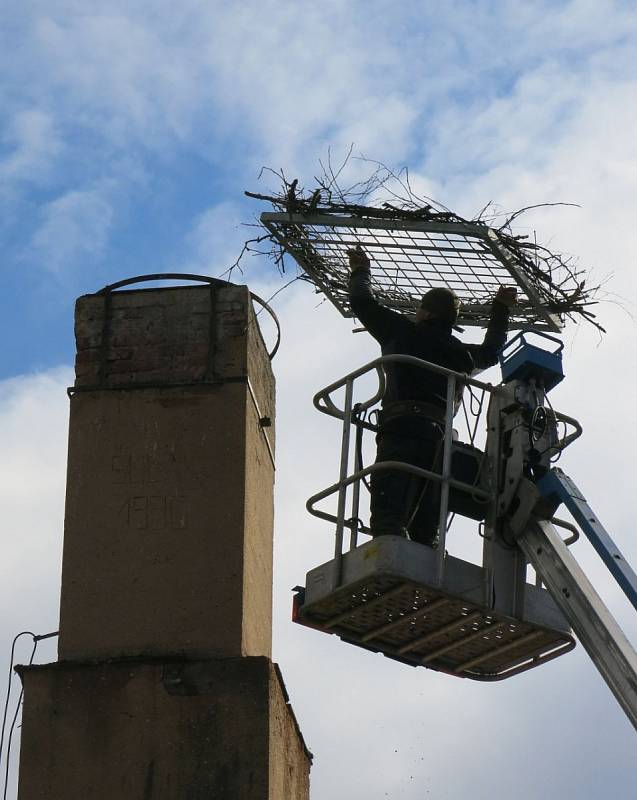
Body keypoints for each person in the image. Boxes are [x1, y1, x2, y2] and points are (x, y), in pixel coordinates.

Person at [347, 244, 516, 547]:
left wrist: (361, 270)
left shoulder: (401, 331)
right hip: (438, 438)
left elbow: (362, 302)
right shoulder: (459, 352)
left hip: (401, 429)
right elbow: (490, 354)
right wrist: (501, 309)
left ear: (423, 312)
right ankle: (428, 549)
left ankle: (389, 551)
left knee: (390, 509)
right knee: (428, 513)